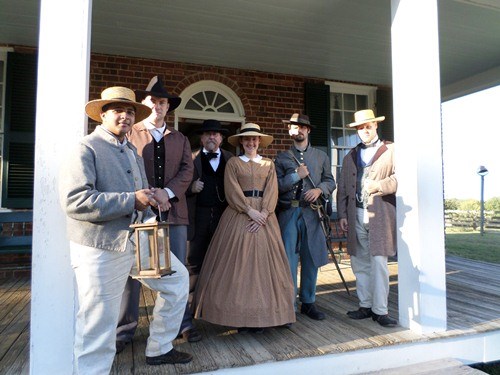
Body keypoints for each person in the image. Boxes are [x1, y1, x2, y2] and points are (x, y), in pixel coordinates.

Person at [59, 86, 192, 373]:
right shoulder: (86, 148)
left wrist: (152, 200)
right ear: (103, 115)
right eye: (118, 110)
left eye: (130, 111)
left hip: (136, 239)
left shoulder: (130, 148)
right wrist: (132, 199)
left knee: (178, 282)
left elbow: (139, 193)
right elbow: (75, 201)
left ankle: (159, 347)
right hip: (101, 246)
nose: (125, 116)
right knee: (98, 323)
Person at [193, 123, 295, 331]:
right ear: (241, 142)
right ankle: (240, 317)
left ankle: (272, 315)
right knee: (239, 266)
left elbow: (272, 190)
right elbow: (232, 190)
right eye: (247, 139)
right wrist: (250, 212)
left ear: (259, 142)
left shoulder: (268, 164)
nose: (251, 142)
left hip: (265, 218)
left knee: (268, 266)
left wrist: (264, 214)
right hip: (240, 214)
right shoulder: (233, 163)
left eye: (254, 139)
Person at [125, 75, 200, 342]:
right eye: (153, 101)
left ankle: (182, 324)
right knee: (131, 272)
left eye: (163, 102)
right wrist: (151, 195)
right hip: (138, 213)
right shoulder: (130, 133)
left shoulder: (179, 138)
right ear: (145, 104)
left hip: (174, 212)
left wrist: (167, 193)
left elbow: (187, 170)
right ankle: (124, 332)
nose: (158, 106)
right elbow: (128, 168)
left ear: (169, 107)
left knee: (178, 270)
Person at [336, 109, 398, 327]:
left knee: (379, 263)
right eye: (360, 128)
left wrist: (379, 186)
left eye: (367, 127)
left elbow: (401, 179)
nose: (364, 131)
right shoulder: (350, 155)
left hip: (380, 215)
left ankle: (380, 311)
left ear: (375, 126)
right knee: (359, 263)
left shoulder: (391, 150)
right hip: (356, 215)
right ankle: (365, 305)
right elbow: (342, 187)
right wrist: (342, 214)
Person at [275, 113, 336, 321]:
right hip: (289, 213)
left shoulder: (321, 157)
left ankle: (308, 302)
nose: (298, 130)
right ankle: (288, 305)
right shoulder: (282, 158)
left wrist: (319, 190)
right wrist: (296, 176)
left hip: (312, 213)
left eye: (302, 127)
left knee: (310, 259)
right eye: (294, 127)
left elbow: (330, 181)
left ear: (308, 130)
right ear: (289, 131)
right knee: (288, 260)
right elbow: (277, 186)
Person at [186, 119, 234, 278]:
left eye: (215, 134)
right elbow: (178, 184)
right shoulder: (190, 158)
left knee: (222, 257)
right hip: (198, 215)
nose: (211, 137)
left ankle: (215, 298)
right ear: (202, 138)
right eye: (207, 134)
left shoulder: (231, 159)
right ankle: (193, 299)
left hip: (223, 216)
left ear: (221, 138)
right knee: (195, 259)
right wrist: (191, 188)